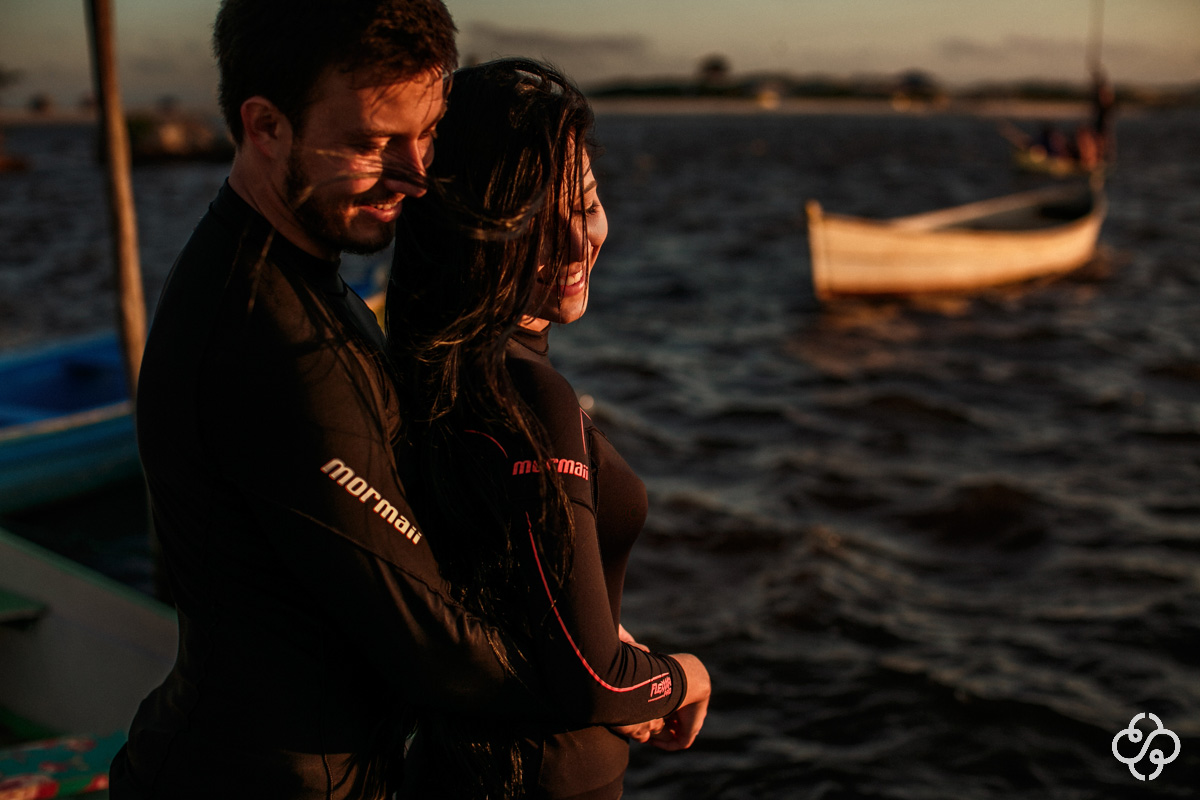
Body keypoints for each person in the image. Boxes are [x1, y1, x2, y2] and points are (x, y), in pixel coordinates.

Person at [110, 4, 702, 799]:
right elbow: (439, 644)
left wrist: (582, 625)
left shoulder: (302, 273)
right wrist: (622, 675)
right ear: (265, 127)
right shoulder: (272, 340)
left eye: (423, 135)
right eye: (369, 143)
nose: (417, 175)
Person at [387, 59, 711, 799]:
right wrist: (686, 676)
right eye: (535, 222)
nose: (575, 246)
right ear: (473, 225)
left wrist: (610, 654)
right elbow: (592, 679)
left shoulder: (440, 365)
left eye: (588, 203)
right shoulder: (528, 395)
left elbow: (507, 607)